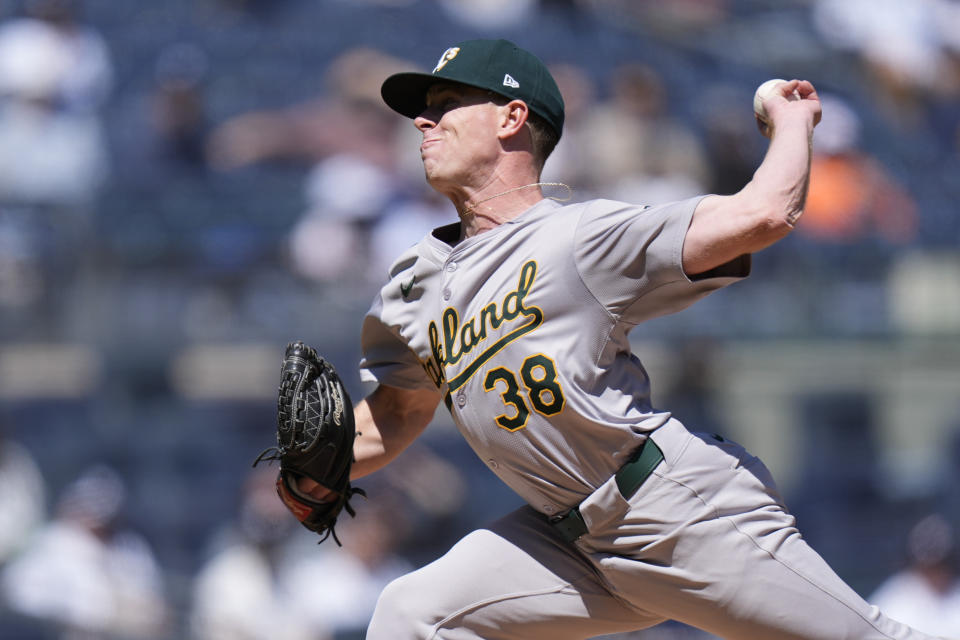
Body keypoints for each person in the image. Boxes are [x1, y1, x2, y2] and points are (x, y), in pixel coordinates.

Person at [292, 39, 941, 639]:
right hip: (563, 543)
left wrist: (793, 120)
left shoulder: (580, 237)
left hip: (672, 512)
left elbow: (763, 213)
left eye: (446, 105)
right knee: (411, 615)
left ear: (511, 118)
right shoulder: (415, 281)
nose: (423, 122)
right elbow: (400, 411)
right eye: (422, 111)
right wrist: (315, 464)